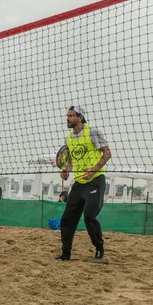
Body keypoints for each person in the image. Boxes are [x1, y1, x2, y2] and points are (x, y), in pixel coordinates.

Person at [57, 106, 111, 261]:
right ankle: (65, 253)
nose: (67, 118)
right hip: (79, 183)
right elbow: (71, 161)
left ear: (80, 118)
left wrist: (94, 169)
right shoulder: (68, 138)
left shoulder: (92, 132)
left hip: (95, 180)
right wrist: (66, 170)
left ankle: (99, 250)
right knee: (67, 219)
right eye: (67, 115)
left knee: (89, 216)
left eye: (71, 116)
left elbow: (107, 153)